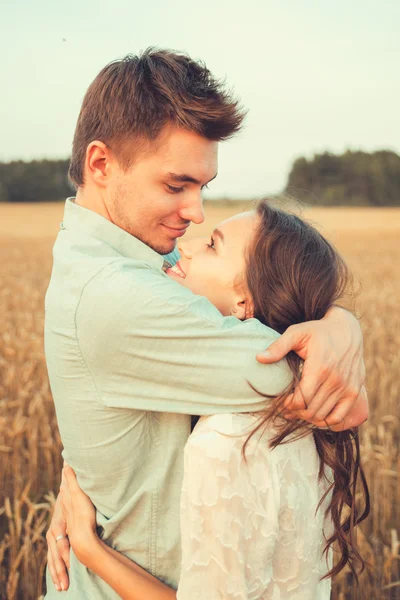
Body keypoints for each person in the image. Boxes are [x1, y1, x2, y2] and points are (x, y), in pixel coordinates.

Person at [44, 48, 368, 598]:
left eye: (203, 187)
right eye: (176, 185)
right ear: (101, 165)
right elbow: (311, 385)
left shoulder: (133, 260)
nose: (196, 213)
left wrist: (341, 322)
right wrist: (338, 332)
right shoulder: (117, 291)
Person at [57, 201, 370, 599]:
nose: (186, 246)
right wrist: (341, 321)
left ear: (243, 304)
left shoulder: (225, 441)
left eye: (212, 247)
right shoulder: (304, 417)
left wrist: (89, 549)